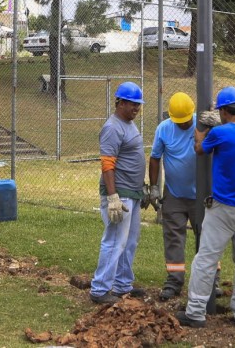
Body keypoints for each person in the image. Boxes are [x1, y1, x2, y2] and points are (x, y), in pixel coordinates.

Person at [176, 86, 235, 330]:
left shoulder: (220, 134)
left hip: (224, 209)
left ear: (224, 111)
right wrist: (219, 125)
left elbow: (199, 148)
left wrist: (203, 127)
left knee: (205, 260)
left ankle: (195, 313)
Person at [89, 81, 147, 305]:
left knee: (129, 241)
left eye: (138, 105)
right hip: (119, 194)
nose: (136, 108)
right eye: (132, 104)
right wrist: (112, 197)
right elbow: (107, 165)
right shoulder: (113, 127)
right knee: (114, 241)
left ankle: (122, 284)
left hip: (131, 192)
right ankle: (100, 289)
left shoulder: (129, 124)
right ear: (120, 102)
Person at [146, 92, 199, 300]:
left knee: (206, 238)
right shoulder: (164, 129)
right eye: (180, 122)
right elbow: (155, 158)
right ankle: (174, 281)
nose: (184, 125)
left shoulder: (202, 126)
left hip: (200, 195)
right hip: (174, 194)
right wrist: (154, 188)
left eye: (187, 121)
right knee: (173, 237)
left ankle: (210, 282)